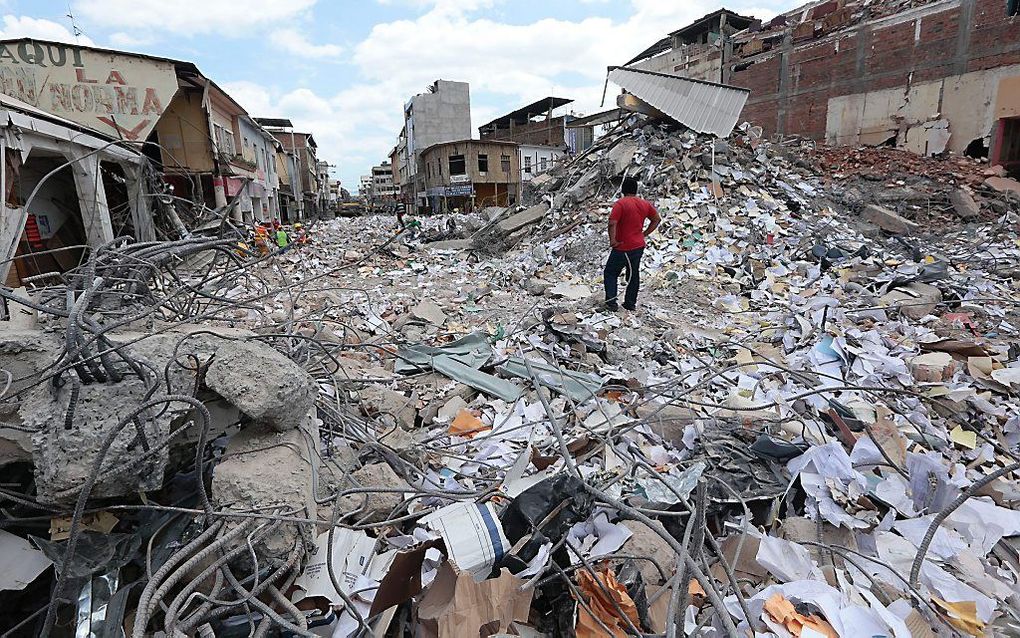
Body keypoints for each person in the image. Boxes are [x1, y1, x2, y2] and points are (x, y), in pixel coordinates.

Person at [604, 176, 660, 312]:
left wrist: (613, 241)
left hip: (622, 246)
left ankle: (611, 303)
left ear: (623, 190)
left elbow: (612, 223)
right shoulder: (644, 204)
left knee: (610, 273)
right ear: (635, 190)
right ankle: (630, 303)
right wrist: (644, 234)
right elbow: (656, 219)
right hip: (638, 246)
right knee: (633, 274)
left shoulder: (621, 204)